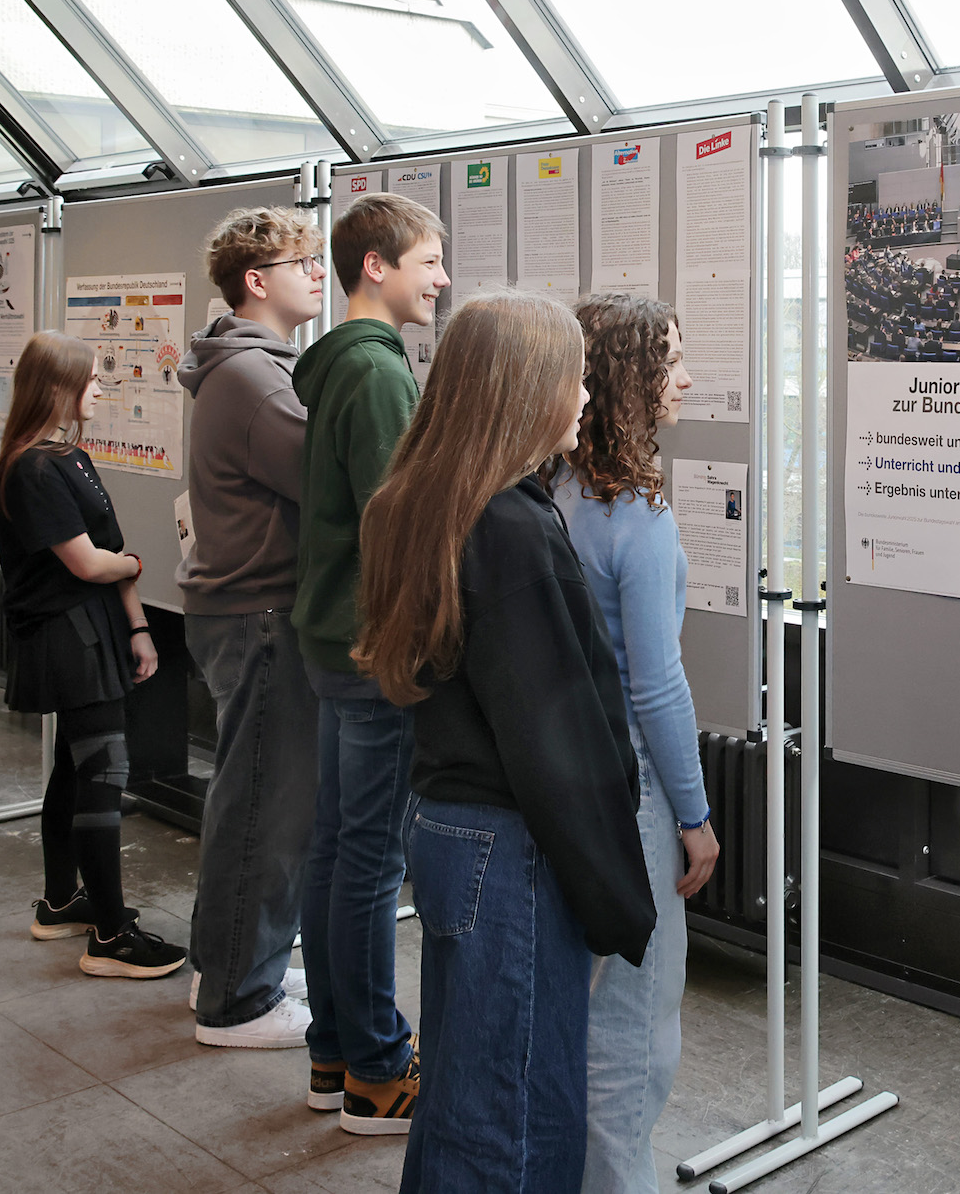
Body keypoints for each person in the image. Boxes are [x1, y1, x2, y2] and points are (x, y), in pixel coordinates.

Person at [353, 289, 655, 1194]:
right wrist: (612, 901)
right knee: (516, 1121)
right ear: (526, 391)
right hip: (515, 848)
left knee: (463, 1097)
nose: (586, 401)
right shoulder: (513, 529)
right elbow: (555, 741)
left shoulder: (421, 503)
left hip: (451, 830)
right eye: (575, 381)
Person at [549, 294, 720, 1193]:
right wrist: (694, 815)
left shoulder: (555, 494)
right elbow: (657, 685)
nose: (685, 378)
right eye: (670, 362)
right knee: (635, 1022)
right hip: (638, 792)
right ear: (625, 381)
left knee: (586, 1010)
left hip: (570, 783)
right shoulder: (639, 521)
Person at [292, 191, 449, 1133]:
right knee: (369, 861)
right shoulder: (379, 372)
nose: (441, 279)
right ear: (376, 267)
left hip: (330, 638)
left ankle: (334, 1049)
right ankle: (377, 1069)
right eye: (429, 261)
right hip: (370, 646)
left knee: (339, 848)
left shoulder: (337, 366)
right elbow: (397, 521)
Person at [177, 206, 329, 1048]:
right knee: (268, 810)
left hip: (244, 610)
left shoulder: (252, 367)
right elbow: (328, 476)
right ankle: (238, 1000)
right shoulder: (255, 377)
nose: (316, 270)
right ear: (255, 282)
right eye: (300, 259)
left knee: (251, 799)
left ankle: (230, 961)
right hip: (262, 613)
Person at [0, 331, 186, 979]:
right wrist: (131, 566)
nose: (101, 389)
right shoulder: (32, 469)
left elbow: (111, 549)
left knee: (74, 771)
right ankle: (108, 933)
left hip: (97, 627)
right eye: (92, 380)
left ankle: (59, 903)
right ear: (57, 388)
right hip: (63, 635)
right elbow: (89, 561)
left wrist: (137, 625)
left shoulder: (67, 456)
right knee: (103, 771)